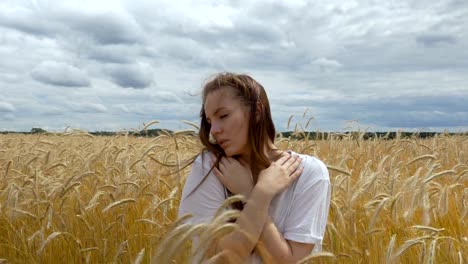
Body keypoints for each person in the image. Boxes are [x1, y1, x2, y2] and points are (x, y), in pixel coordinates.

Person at [178, 73, 331, 263]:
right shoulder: (210, 166)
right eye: (209, 121)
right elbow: (222, 260)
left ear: (257, 111)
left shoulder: (309, 173)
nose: (213, 131)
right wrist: (260, 195)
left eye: (223, 116)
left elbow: (292, 261)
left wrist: (249, 193)